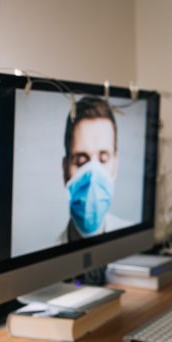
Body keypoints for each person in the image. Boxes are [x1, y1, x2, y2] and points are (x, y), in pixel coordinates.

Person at [60, 96, 133, 243]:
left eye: (103, 159)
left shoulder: (133, 241)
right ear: (65, 169)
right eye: (81, 160)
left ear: (115, 166)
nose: (93, 175)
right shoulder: (42, 261)